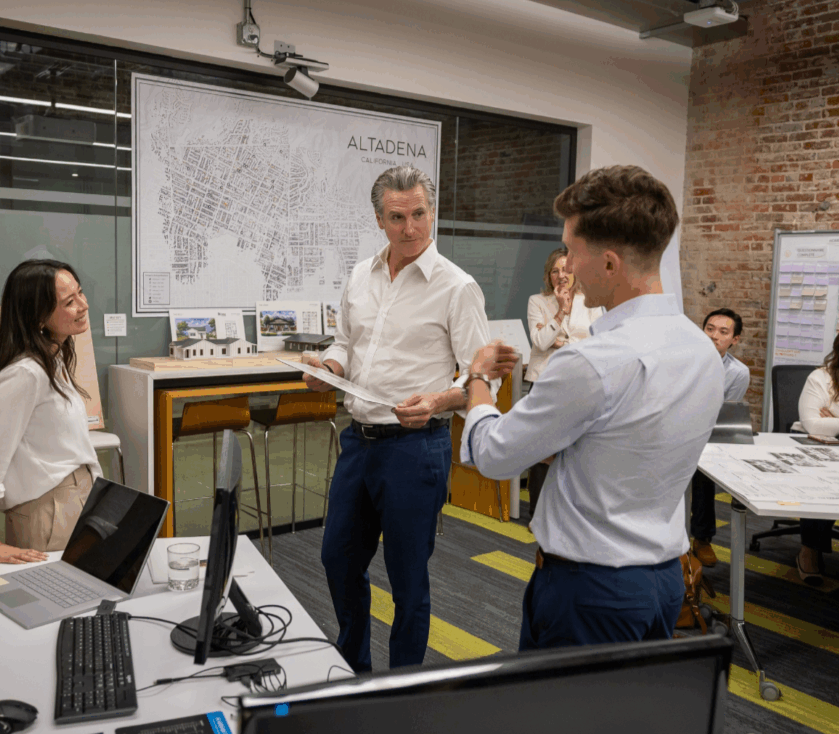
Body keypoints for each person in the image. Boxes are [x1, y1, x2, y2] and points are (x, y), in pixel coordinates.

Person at [462, 164, 724, 650]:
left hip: (590, 592)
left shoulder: (591, 362)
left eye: (572, 251)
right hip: (666, 583)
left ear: (608, 264)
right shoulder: (701, 349)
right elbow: (627, 441)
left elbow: (494, 455)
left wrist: (478, 379)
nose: (567, 268)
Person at [302, 165, 516, 672]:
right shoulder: (361, 275)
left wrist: (439, 401)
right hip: (358, 443)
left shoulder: (457, 287)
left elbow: (484, 379)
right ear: (380, 219)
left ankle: (403, 686)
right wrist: (330, 368)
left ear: (432, 212)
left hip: (415, 448)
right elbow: (345, 344)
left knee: (407, 579)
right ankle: (354, 669)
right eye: (397, 217)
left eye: (419, 214)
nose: (411, 228)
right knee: (338, 560)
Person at [0, 259, 102, 564]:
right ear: (38, 317)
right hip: (49, 511)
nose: (83, 305)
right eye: (69, 302)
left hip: (73, 500)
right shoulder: (24, 374)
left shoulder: (53, 358)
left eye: (80, 293)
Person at [524, 247, 603, 515]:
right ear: (549, 276)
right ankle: (537, 513)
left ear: (575, 272)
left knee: (577, 448)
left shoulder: (590, 302)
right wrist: (560, 311)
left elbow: (598, 342)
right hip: (544, 381)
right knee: (542, 448)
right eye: (555, 271)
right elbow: (540, 341)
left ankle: (571, 512)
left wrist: (561, 343)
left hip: (578, 382)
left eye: (566, 270)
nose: (561, 275)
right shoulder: (537, 301)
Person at [690, 307, 750, 567]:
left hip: (706, 433)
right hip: (671, 429)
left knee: (705, 468)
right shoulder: (683, 359)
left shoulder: (738, 372)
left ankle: (702, 538)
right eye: (709, 329)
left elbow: (721, 415)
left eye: (723, 332)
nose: (714, 336)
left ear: (734, 339)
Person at [792, 332, 839, 585]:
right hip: (815, 446)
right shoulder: (820, 378)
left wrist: (833, 419)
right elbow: (813, 424)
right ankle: (808, 550)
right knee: (823, 481)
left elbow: (825, 423)